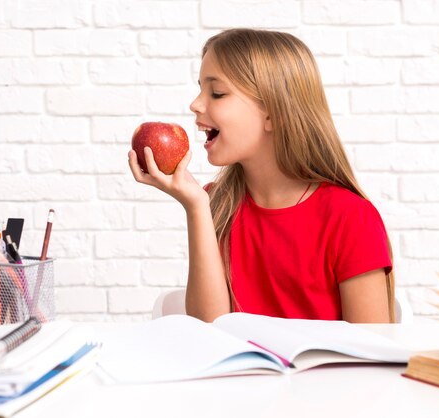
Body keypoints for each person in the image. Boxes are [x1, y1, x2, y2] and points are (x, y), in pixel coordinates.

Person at [128, 28, 394, 323]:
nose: (196, 104)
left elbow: (371, 349)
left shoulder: (350, 218)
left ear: (272, 113)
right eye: (201, 88)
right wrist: (196, 206)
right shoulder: (217, 203)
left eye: (217, 93)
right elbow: (209, 327)